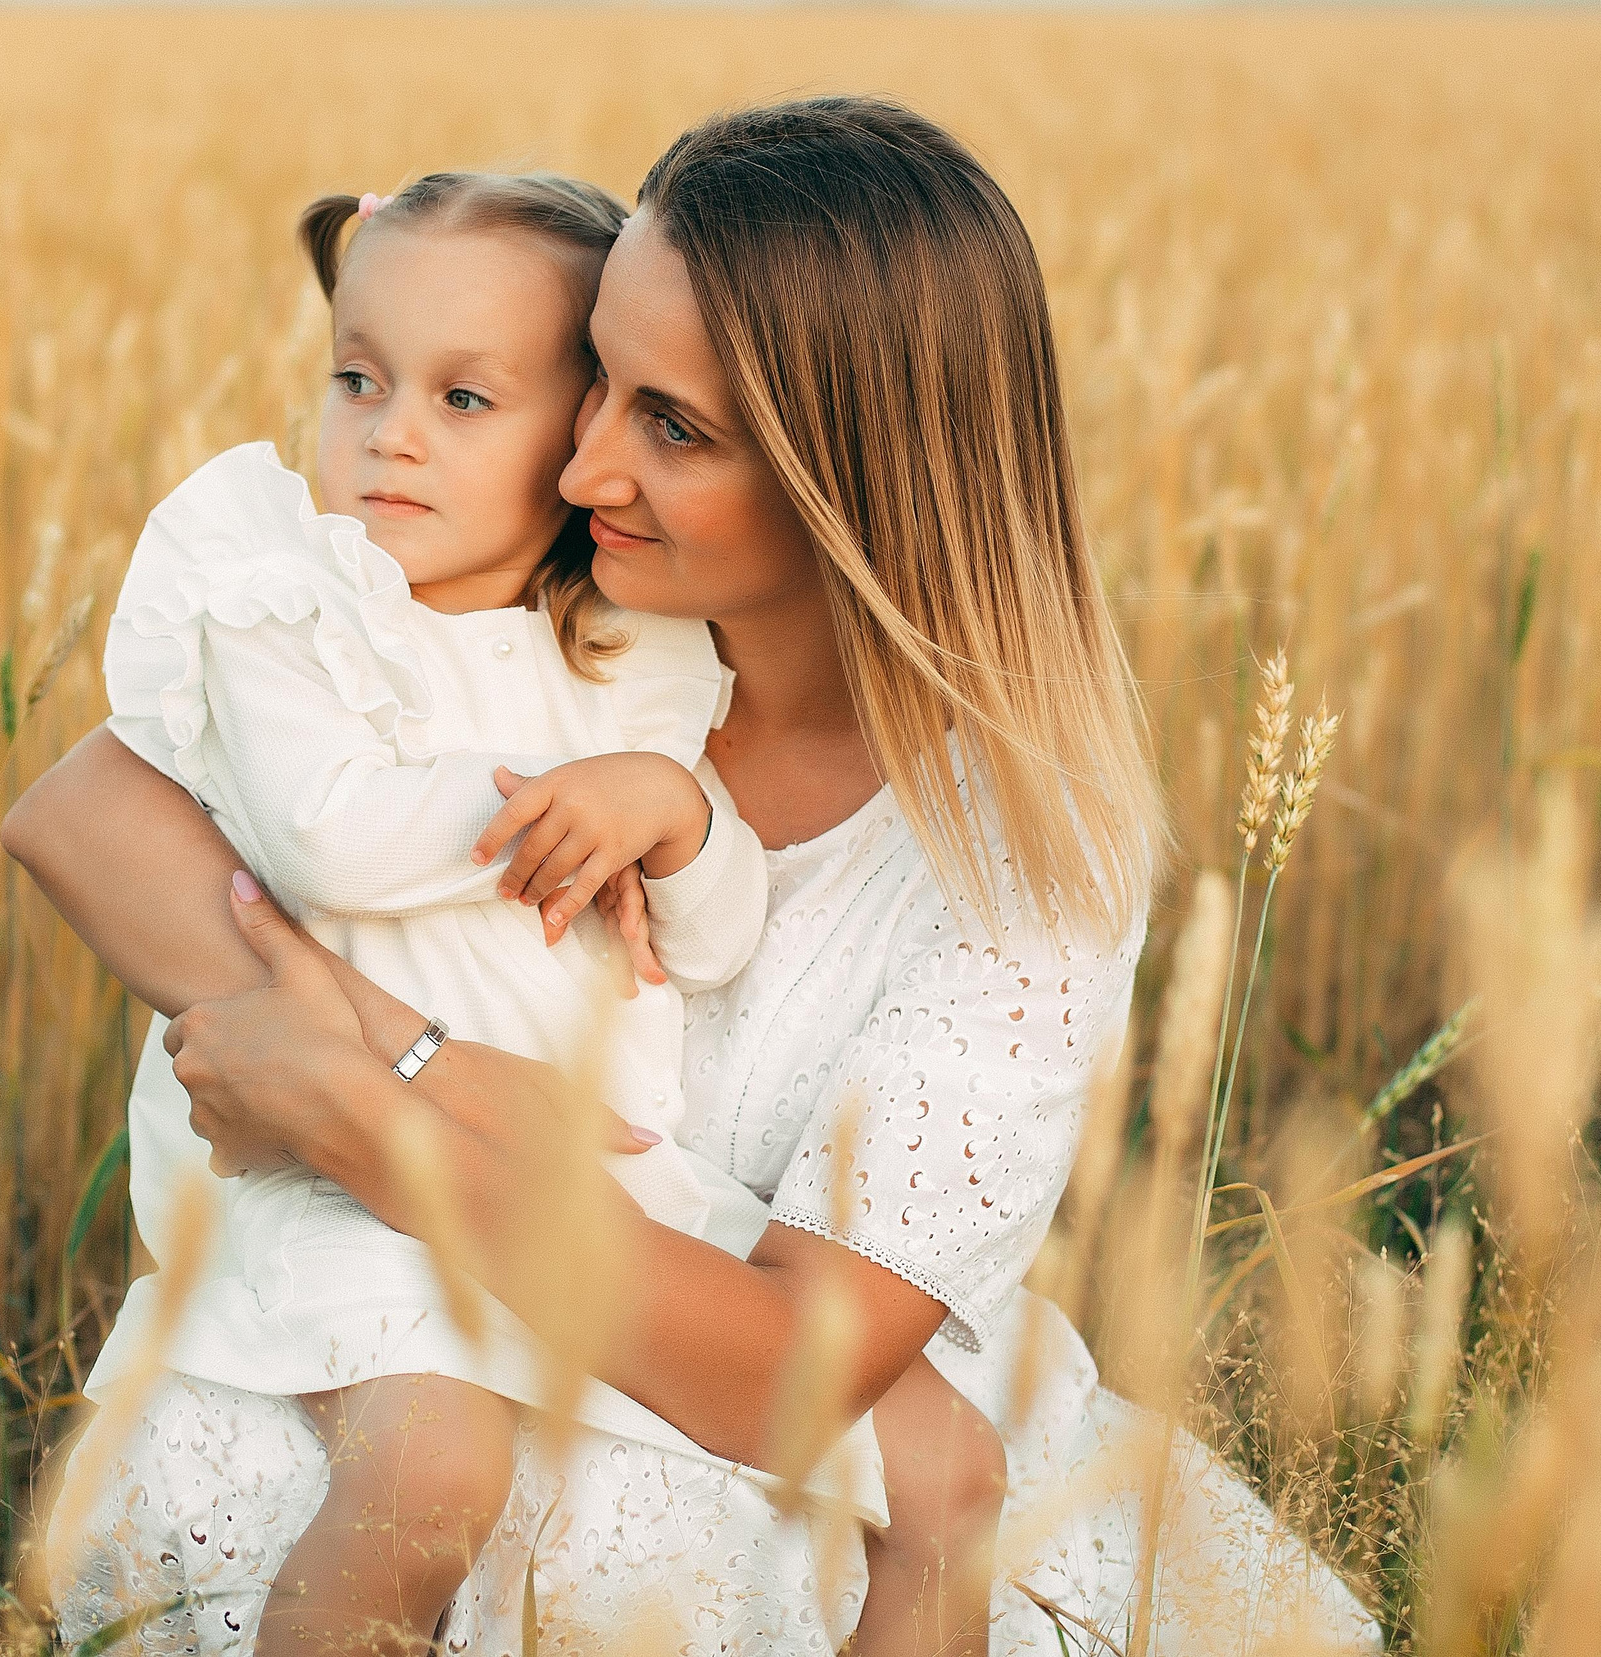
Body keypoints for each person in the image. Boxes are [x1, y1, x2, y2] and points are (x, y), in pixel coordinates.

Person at [9, 96, 1380, 1655]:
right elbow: (89, 810)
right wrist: (390, 1053)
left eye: (672, 426)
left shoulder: (1019, 859)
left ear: (848, 477)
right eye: (594, 374)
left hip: (791, 1451)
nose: (584, 460)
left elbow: (785, 1377)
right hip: (411, 1340)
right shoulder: (534, 614)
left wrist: (371, 1098)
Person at [78, 167, 1008, 1655]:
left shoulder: (630, 650)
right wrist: (557, 804)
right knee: (433, 1474)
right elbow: (326, 838)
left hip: (590, 1178)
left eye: (464, 400)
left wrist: (675, 814)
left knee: (951, 1464)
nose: (389, 433)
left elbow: (708, 942)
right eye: (359, 379)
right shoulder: (291, 608)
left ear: (575, 433)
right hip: (338, 1186)